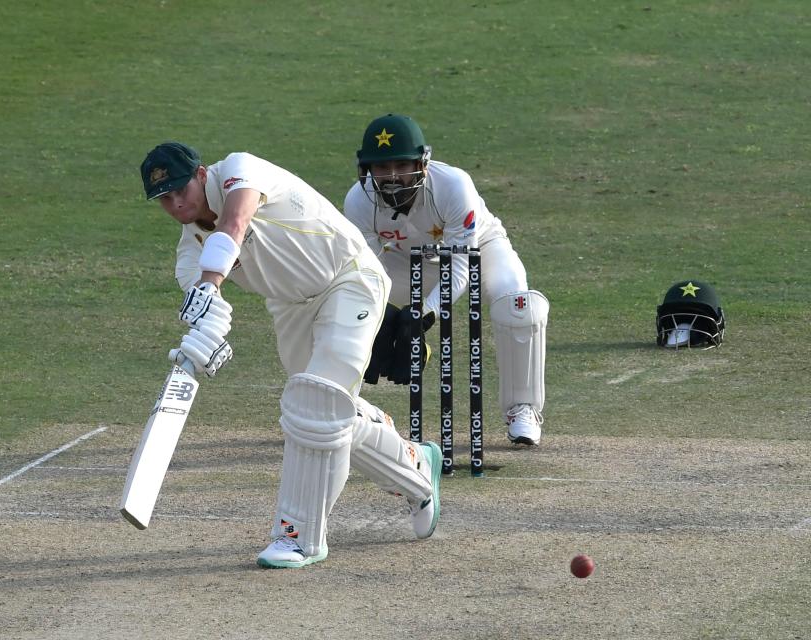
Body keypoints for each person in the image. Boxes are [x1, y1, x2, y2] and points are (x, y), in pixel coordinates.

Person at [139, 141, 442, 569]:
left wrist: (209, 283)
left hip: (348, 278)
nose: (174, 203)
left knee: (318, 402)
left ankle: (298, 536)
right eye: (163, 199)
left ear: (202, 173)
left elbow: (235, 221)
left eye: (179, 189)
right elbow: (212, 315)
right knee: (325, 411)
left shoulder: (239, 171)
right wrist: (204, 341)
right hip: (290, 308)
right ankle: (416, 468)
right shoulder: (190, 256)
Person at [343, 114, 550, 446]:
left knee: (518, 306)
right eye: (382, 167)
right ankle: (340, 405)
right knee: (337, 299)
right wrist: (377, 316)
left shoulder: (453, 185)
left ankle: (522, 408)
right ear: (367, 169)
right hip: (403, 260)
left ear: (422, 163)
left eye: (402, 164)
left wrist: (422, 316)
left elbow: (460, 267)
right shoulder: (358, 200)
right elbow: (365, 270)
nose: (393, 176)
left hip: (479, 250)